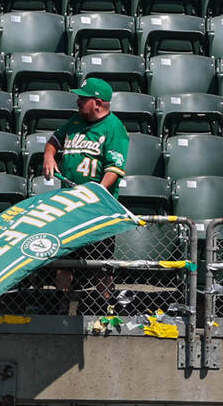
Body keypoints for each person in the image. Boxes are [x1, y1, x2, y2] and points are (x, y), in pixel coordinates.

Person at [41, 76, 130, 311]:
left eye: (83, 98)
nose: (78, 102)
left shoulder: (114, 128)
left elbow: (115, 169)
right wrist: (49, 156)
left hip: (98, 209)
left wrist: (97, 191)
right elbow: (53, 141)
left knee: (101, 263)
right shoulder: (75, 121)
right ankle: (61, 304)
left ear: (98, 103)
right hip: (69, 205)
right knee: (63, 260)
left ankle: (104, 306)